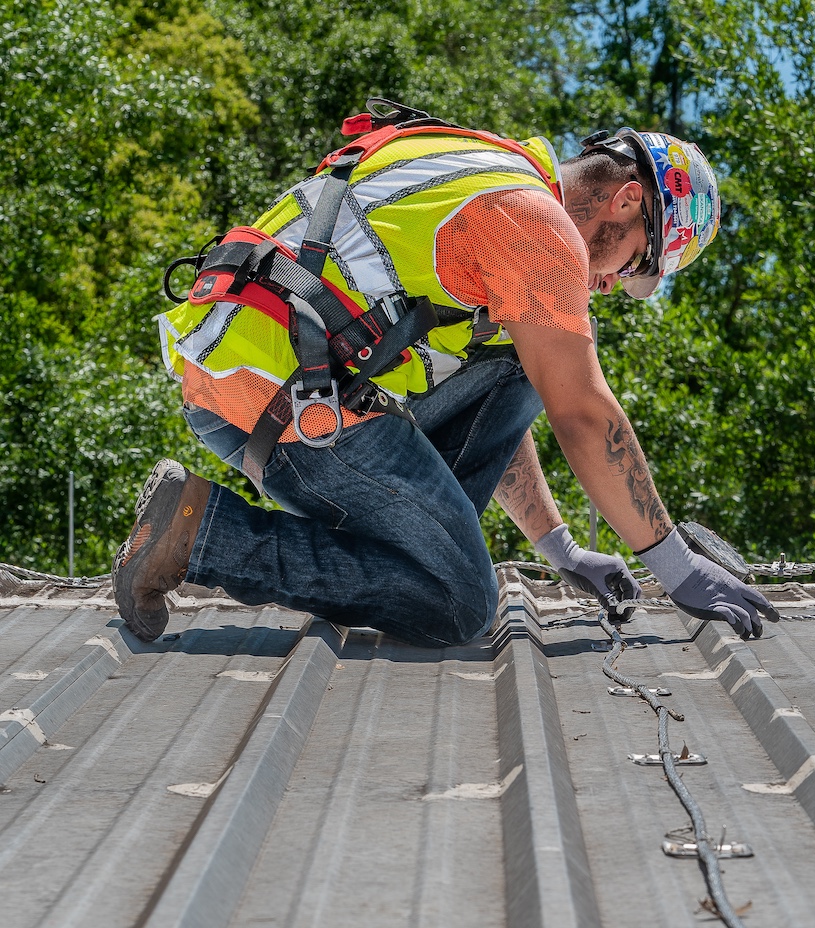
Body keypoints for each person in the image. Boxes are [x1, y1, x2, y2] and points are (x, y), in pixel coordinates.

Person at [113, 98, 778, 647]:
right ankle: (202, 535)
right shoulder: (534, 226)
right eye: (634, 263)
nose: (611, 283)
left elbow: (503, 398)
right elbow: (582, 413)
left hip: (268, 370)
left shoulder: (492, 166)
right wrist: (675, 566)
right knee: (458, 602)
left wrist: (562, 550)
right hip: (277, 396)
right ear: (627, 201)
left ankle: (402, 549)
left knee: (525, 358)